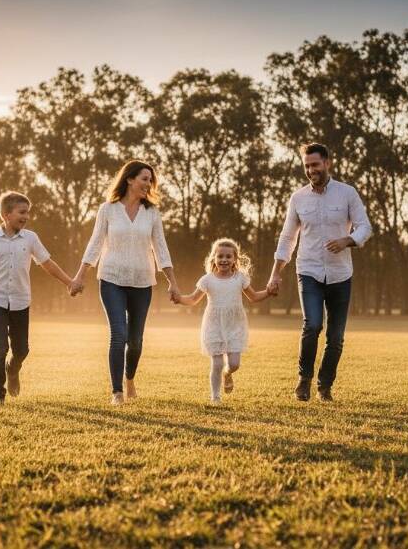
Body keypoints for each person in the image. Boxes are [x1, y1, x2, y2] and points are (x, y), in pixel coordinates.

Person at [266, 143, 372, 402]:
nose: (311, 170)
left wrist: (347, 241)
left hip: (340, 274)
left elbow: (364, 227)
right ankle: (304, 380)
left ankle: (325, 386)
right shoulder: (298, 198)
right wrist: (275, 273)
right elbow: (288, 237)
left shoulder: (347, 194)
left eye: (315, 164)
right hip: (309, 270)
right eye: (307, 166)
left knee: (335, 337)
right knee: (312, 325)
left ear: (328, 163)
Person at [72, 161, 180, 405]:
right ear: (129, 179)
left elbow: (160, 248)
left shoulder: (152, 213)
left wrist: (171, 282)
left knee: (136, 341)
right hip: (111, 279)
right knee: (118, 334)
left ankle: (129, 378)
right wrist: (81, 275)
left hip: (142, 282)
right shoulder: (107, 209)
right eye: (144, 178)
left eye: (150, 180)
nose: (148, 184)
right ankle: (117, 391)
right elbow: (95, 243)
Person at [0, 191, 74, 406]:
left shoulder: (31, 238)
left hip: (21, 299)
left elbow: (47, 263)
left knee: (21, 349)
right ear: (6, 214)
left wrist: (69, 282)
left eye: (28, 212)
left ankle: (13, 368)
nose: (26, 216)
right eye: (22, 212)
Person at [174, 238, 270, 403]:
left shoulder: (240, 278)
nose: (224, 260)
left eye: (228, 256)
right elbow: (192, 299)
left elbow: (254, 297)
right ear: (214, 259)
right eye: (220, 256)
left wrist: (269, 291)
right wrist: (179, 299)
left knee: (234, 363)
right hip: (214, 325)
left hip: (235, 324)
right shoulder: (207, 280)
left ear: (234, 259)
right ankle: (215, 397)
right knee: (217, 363)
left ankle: (228, 373)